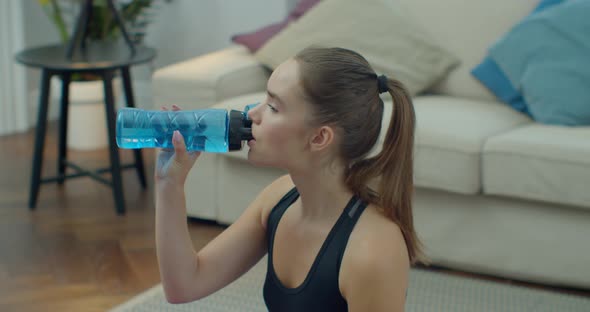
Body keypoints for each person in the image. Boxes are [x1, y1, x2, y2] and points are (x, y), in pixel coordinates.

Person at [155, 46, 422, 312]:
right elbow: (185, 285)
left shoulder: (372, 252)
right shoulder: (279, 198)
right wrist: (169, 185)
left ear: (319, 138)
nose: (251, 115)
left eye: (272, 106)